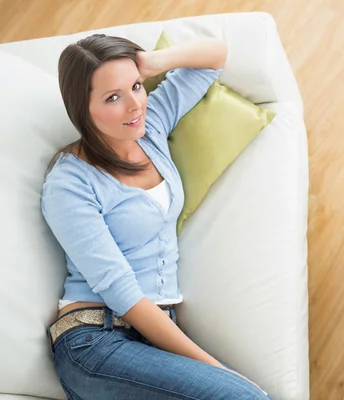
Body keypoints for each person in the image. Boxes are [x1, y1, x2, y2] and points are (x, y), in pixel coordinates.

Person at [41, 33, 270, 399]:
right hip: (94, 343)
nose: (134, 106)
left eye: (136, 87)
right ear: (82, 109)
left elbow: (216, 57)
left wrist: (151, 63)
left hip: (151, 336)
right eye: (113, 97)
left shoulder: (151, 130)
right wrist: (219, 372)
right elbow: (123, 294)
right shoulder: (69, 184)